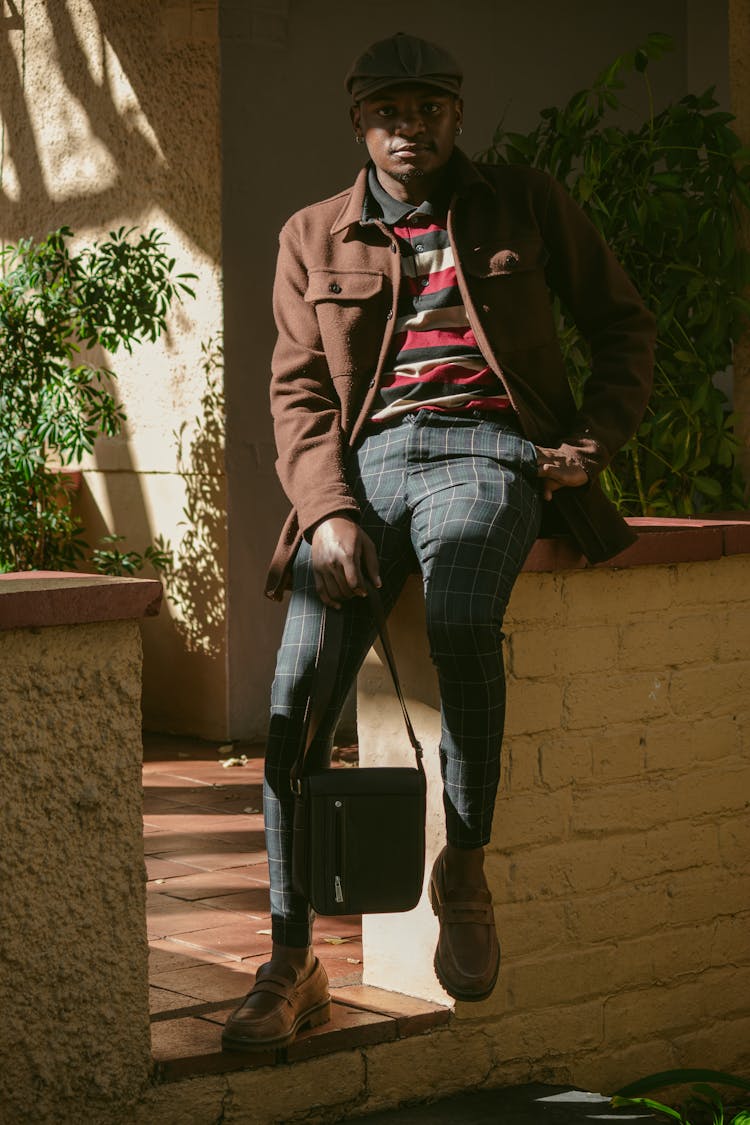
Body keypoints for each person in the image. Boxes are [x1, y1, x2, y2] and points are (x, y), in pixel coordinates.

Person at [222, 32, 655, 1051]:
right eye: (389, 111)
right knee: (291, 700)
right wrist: (327, 513)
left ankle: (463, 867)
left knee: (460, 614)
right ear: (359, 122)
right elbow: (296, 392)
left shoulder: (525, 204)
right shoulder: (311, 234)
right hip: (363, 467)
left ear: (458, 116)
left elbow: (623, 324)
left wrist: (594, 440)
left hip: (488, 452)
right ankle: (291, 960)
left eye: (429, 110)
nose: (409, 129)